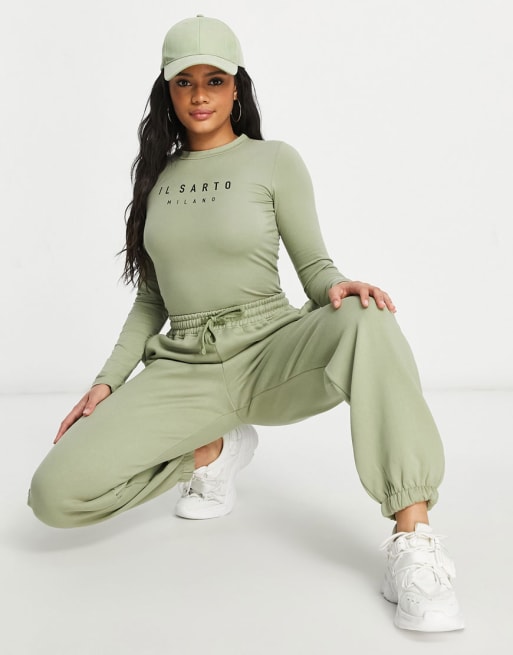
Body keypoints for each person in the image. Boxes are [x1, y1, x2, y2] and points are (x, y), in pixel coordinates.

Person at [28, 15, 464, 632]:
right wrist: (107, 381)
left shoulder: (274, 161)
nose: (199, 95)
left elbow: (314, 266)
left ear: (237, 87)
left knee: (368, 317)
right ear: (168, 92)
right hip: (185, 368)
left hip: (270, 350)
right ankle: (212, 448)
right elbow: (151, 300)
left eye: (214, 80)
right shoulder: (156, 180)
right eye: (184, 82)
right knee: (53, 494)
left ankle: (413, 540)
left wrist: (338, 287)